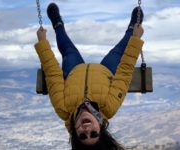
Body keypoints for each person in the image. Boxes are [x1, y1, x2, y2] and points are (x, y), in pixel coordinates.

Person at [35, 3, 144, 150]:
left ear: (75, 132)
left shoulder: (64, 108)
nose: (87, 130)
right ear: (101, 129)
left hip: (74, 71)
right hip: (105, 71)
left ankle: (58, 24)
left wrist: (42, 43)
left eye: (82, 136)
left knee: (68, 49)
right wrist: (136, 38)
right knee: (119, 51)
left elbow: (53, 74)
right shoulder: (108, 107)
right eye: (94, 134)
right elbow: (124, 72)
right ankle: (132, 27)